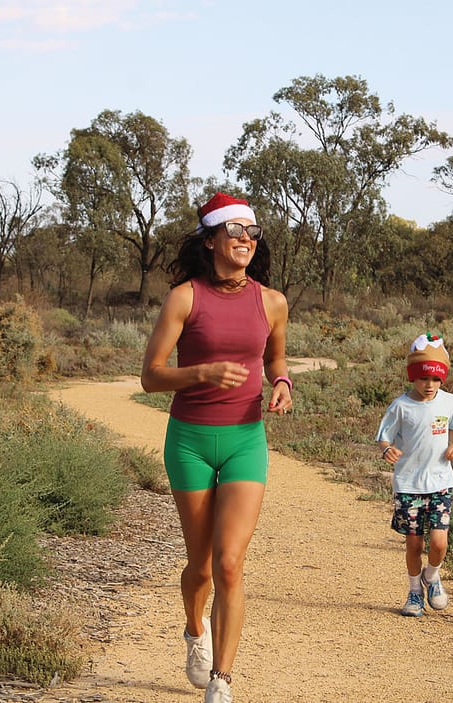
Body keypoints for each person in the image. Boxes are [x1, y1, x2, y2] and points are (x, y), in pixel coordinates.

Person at [141, 192, 292, 703]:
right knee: (201, 565)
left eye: (252, 232)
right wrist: (201, 373)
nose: (246, 240)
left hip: (246, 439)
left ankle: (221, 680)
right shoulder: (185, 297)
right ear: (210, 240)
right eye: (234, 231)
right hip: (189, 442)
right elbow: (150, 376)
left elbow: (276, 360)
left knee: (230, 562)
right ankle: (194, 629)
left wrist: (283, 383)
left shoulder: (272, 302)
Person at [375, 332, 453, 617]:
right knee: (414, 543)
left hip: (440, 483)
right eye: (424, 378)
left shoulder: (450, 402)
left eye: (436, 379)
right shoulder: (400, 406)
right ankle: (415, 593)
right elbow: (383, 438)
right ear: (413, 377)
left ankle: (432, 576)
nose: (430, 385)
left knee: (439, 542)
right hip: (409, 484)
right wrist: (387, 450)